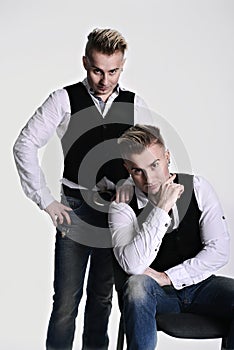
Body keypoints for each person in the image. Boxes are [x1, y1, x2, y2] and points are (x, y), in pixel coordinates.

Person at [13, 29, 153, 350]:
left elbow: (151, 159)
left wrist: (132, 187)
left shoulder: (135, 105)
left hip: (115, 214)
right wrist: (46, 201)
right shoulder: (63, 99)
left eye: (113, 71)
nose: (105, 79)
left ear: (122, 66)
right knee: (65, 301)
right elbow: (25, 144)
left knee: (101, 298)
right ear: (85, 62)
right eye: (97, 70)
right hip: (74, 208)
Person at [109, 124, 234, 350]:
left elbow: (219, 251)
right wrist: (161, 208)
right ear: (127, 169)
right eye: (138, 171)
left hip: (201, 287)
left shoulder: (198, 188)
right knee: (137, 285)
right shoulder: (121, 205)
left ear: (167, 158)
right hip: (155, 296)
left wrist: (168, 276)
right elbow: (133, 265)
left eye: (155, 165)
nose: (149, 178)